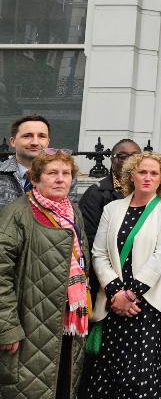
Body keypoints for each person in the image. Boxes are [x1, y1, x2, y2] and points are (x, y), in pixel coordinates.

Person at [87, 152, 161, 398]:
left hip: (147, 306)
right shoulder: (112, 208)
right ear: (131, 176)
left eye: (154, 173)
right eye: (142, 172)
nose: (147, 177)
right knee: (110, 374)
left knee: (141, 376)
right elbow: (98, 254)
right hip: (113, 306)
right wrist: (116, 292)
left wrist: (131, 293)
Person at [0, 149, 89, 398]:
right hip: (29, 327)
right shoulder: (17, 214)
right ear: (36, 178)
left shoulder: (73, 213)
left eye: (66, 173)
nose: (60, 179)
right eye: (52, 173)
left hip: (68, 325)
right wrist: (7, 328)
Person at [79, 139, 142, 258]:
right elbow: (89, 237)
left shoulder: (148, 192)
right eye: (122, 156)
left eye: (135, 156)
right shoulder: (96, 193)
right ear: (112, 160)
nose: (129, 161)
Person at [0, 115, 77, 208]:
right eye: (27, 136)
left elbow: (69, 212)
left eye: (42, 136)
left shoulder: (63, 175)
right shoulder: (2, 174)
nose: (35, 143)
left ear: (48, 142)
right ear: (13, 141)